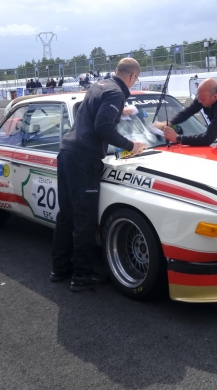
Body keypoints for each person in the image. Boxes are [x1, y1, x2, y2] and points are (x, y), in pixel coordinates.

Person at [51, 58, 146, 292]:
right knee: (84, 219)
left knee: (66, 216)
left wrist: (118, 112)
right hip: (85, 159)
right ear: (133, 77)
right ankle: (81, 275)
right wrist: (130, 145)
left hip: (67, 154)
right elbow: (102, 128)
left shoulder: (99, 86)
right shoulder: (116, 93)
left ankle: (60, 268)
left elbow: (92, 114)